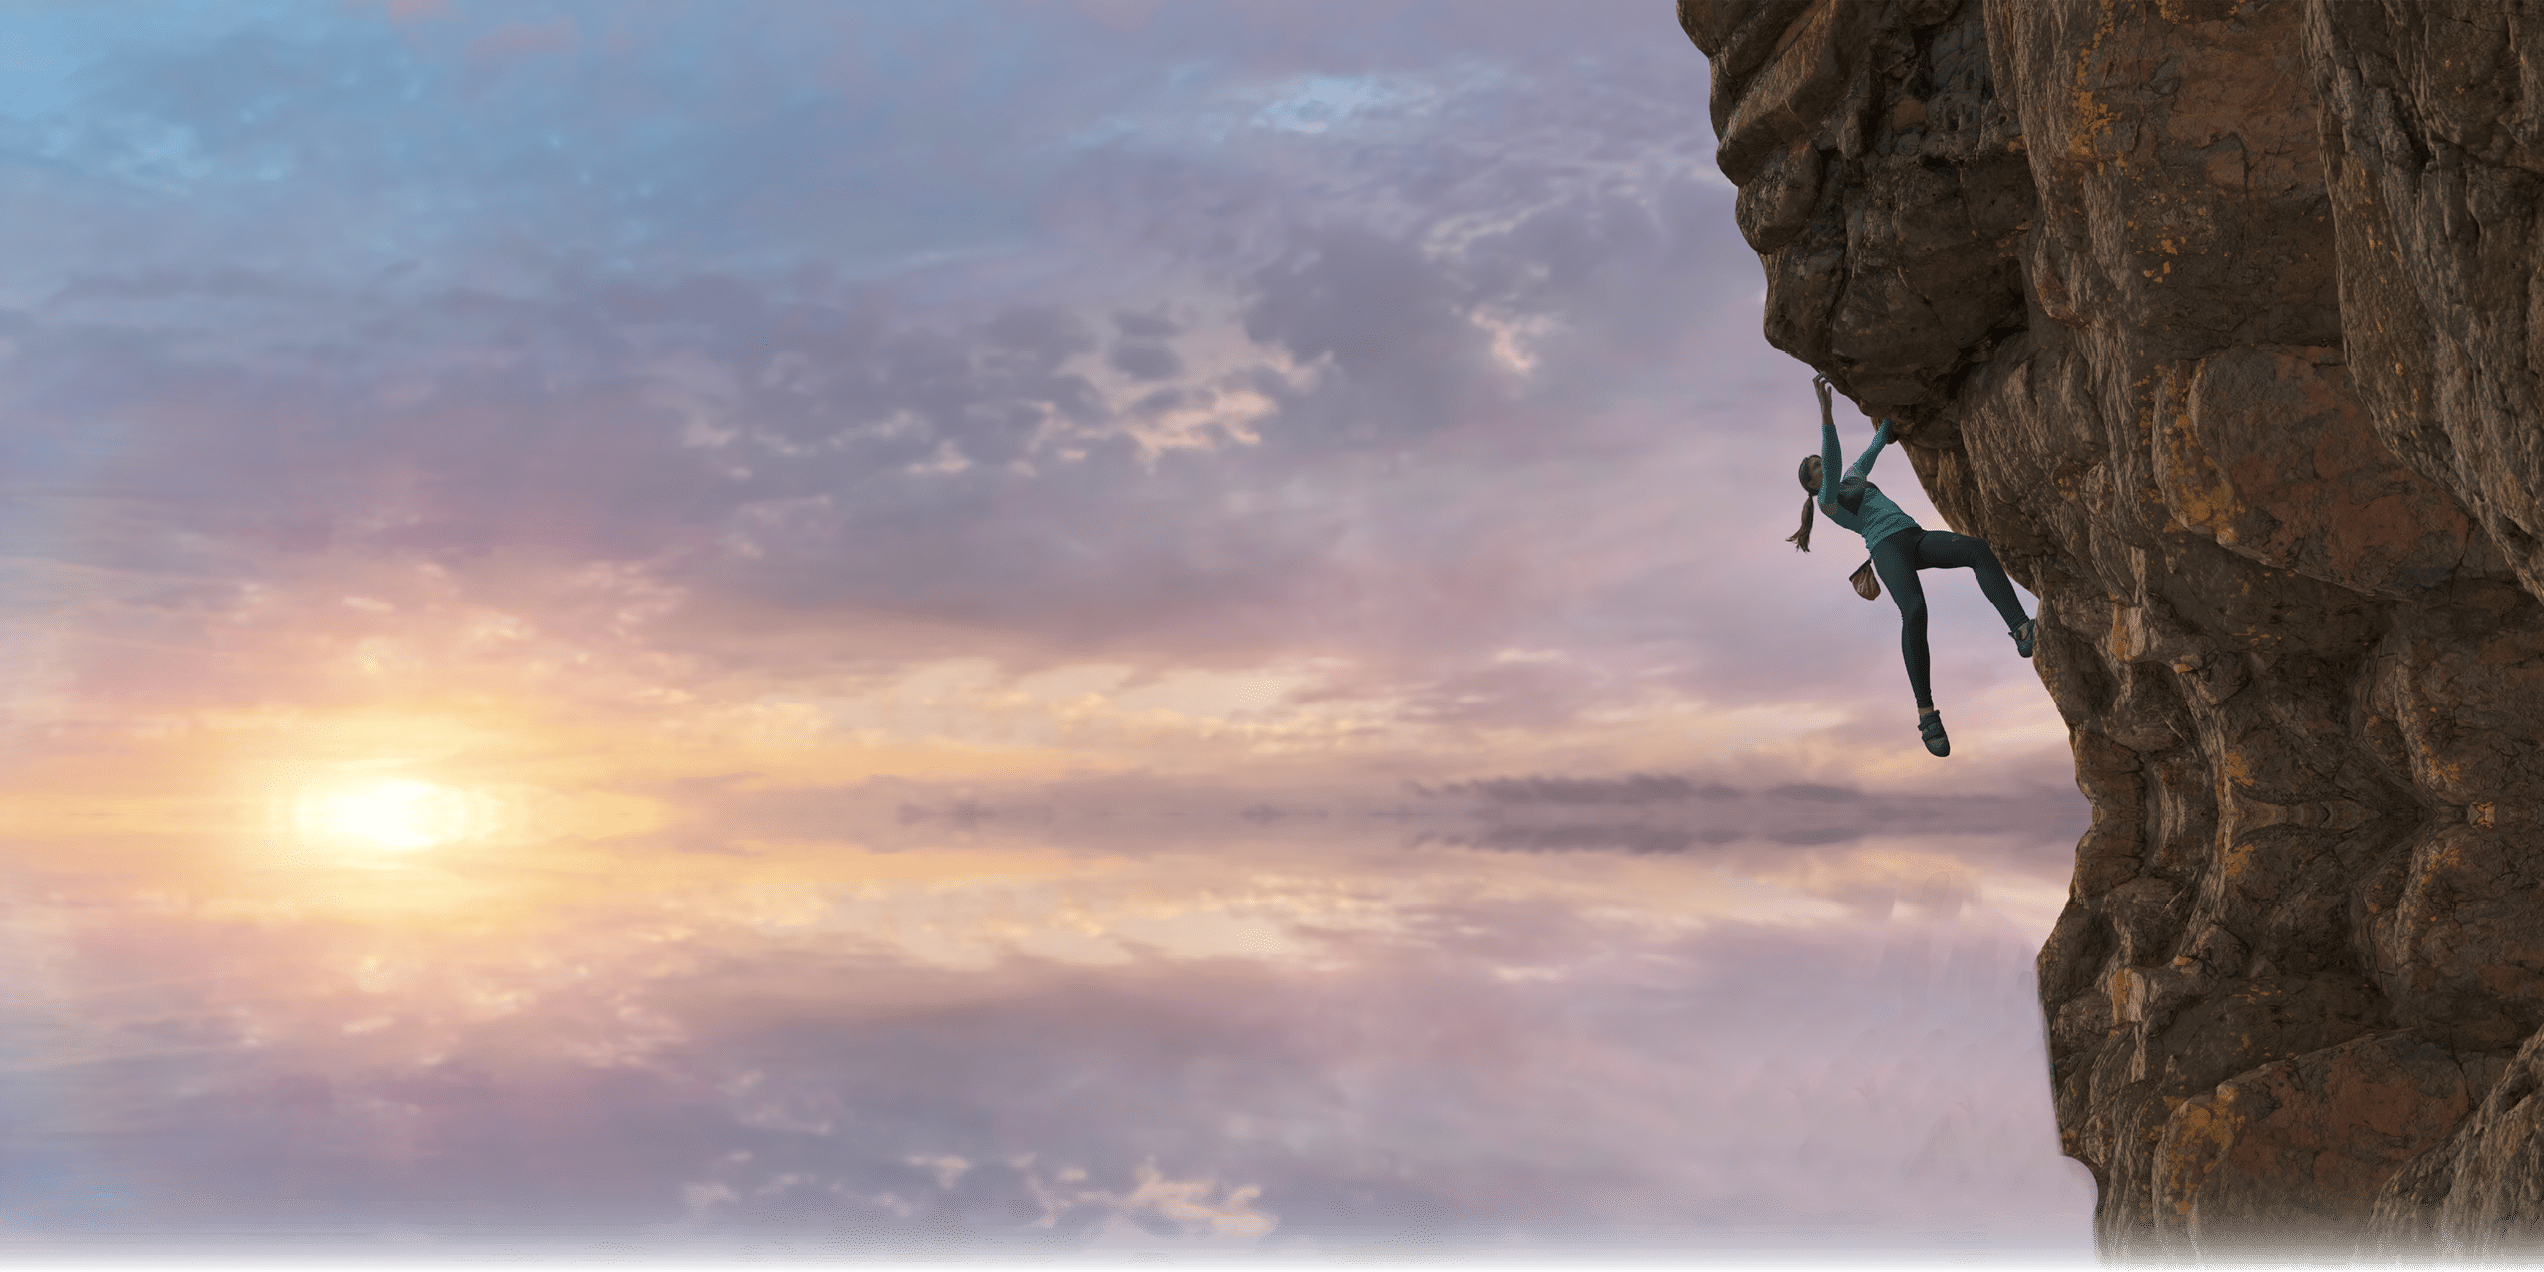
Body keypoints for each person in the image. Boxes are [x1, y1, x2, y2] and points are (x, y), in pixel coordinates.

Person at [1786, 375, 2035, 757]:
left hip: (1913, 538)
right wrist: (1826, 412)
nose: (1821, 467)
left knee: (1977, 550)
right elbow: (1835, 458)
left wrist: (1888, 415)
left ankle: (2020, 628)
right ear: (1812, 486)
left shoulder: (1854, 476)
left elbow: (1874, 446)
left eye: (1819, 463)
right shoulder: (1828, 502)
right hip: (1886, 550)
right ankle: (1927, 714)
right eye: (1816, 468)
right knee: (1915, 611)